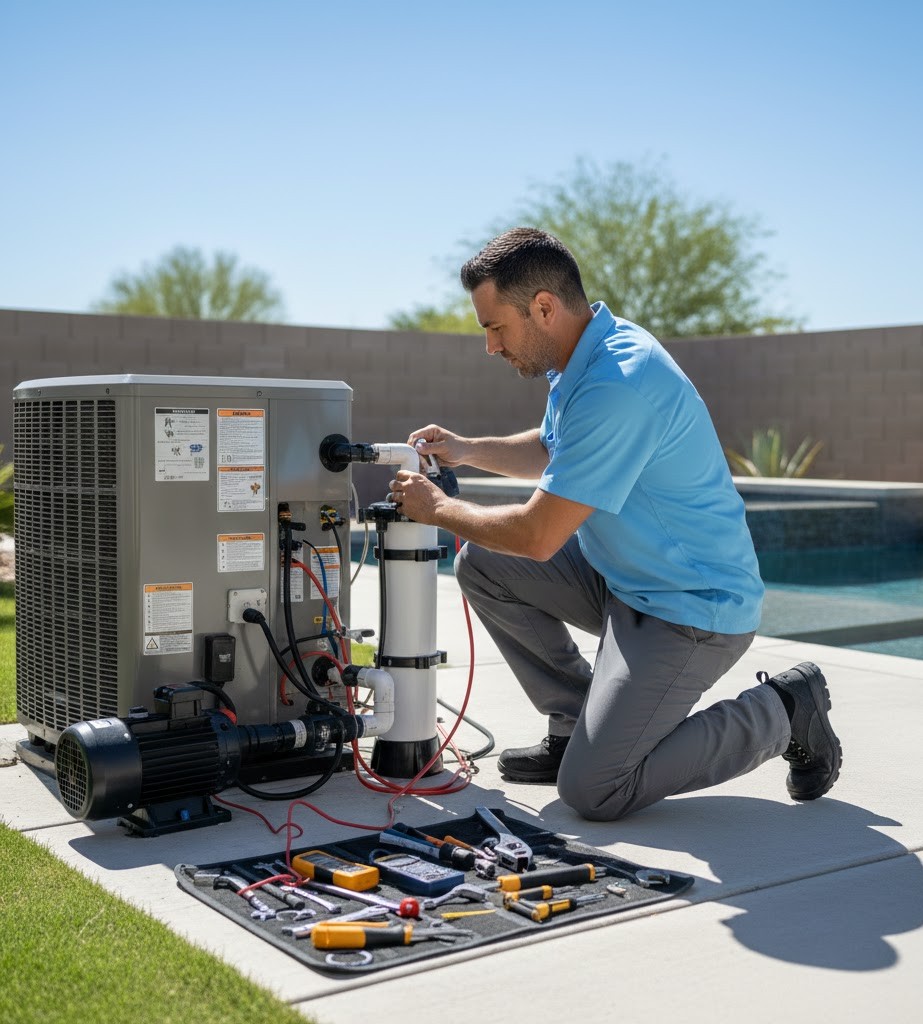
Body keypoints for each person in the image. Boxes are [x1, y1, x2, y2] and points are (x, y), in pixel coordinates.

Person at [390, 227, 842, 821]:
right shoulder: (581, 356)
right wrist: (467, 449)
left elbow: (537, 534)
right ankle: (578, 723)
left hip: (690, 610)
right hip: (626, 581)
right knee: (484, 564)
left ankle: (783, 710)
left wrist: (438, 509)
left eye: (494, 326)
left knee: (595, 791)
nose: (490, 346)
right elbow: (557, 451)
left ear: (544, 308)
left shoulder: (619, 383)